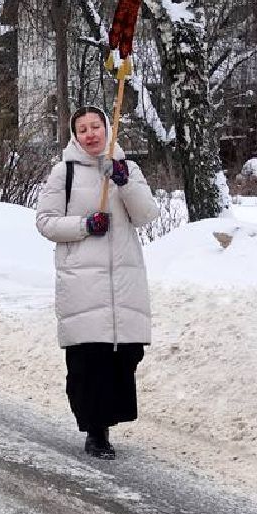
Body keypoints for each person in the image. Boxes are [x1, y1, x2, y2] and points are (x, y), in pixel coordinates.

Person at [33, 105, 161, 459]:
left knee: (122, 356)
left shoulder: (127, 169)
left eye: (96, 127)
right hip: (82, 281)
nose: (91, 134)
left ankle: (108, 420)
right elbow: (45, 222)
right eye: (83, 129)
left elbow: (146, 215)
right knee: (90, 360)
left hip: (122, 279)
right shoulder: (65, 172)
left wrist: (123, 180)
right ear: (75, 135)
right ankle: (96, 431)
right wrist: (85, 225)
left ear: (107, 128)